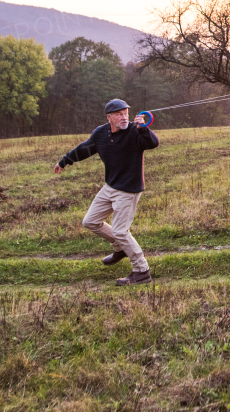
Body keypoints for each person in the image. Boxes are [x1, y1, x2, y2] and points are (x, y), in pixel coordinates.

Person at [54, 98, 160, 285]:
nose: (124, 117)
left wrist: (143, 128)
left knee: (120, 230)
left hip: (129, 189)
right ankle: (120, 249)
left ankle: (142, 271)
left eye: (126, 113)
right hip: (110, 186)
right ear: (109, 117)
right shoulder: (101, 133)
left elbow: (152, 143)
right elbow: (84, 149)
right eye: (119, 114)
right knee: (90, 221)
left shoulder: (135, 132)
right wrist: (64, 161)